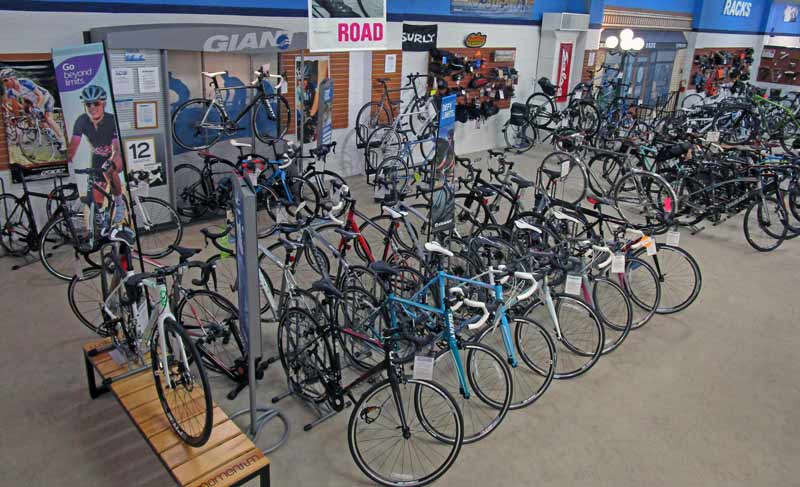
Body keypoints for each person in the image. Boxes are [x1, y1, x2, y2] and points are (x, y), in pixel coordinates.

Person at [66, 84, 128, 233]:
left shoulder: (111, 120)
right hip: (98, 158)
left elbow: (117, 147)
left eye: (96, 103)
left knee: (110, 169)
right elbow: (73, 146)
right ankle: (103, 219)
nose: (92, 107)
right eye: (88, 104)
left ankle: (120, 204)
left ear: (104, 103)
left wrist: (112, 159)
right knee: (96, 201)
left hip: (116, 155)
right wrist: (66, 164)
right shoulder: (82, 120)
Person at [0, 66, 65, 149]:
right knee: (28, 112)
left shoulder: (25, 82)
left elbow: (40, 95)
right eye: (3, 82)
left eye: (6, 80)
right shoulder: (10, 91)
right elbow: (15, 107)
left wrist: (37, 107)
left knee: (48, 118)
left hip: (45, 97)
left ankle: (62, 139)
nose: (4, 84)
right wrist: (15, 118)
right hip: (31, 101)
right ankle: (46, 131)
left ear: (12, 78)